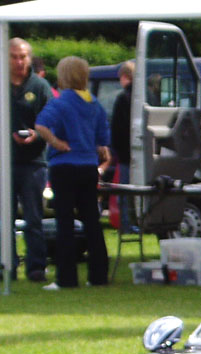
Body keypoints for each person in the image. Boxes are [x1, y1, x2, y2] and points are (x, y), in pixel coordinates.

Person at [0, 37, 55, 283]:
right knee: (4, 218)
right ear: (5, 58)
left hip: (33, 163)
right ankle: (6, 267)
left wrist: (36, 135)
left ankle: (36, 267)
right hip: (3, 161)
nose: (19, 62)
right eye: (14, 57)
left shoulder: (40, 87)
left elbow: (52, 123)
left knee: (33, 217)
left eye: (23, 57)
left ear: (29, 58)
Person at [34, 55, 111, 289]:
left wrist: (56, 143)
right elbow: (103, 141)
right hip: (88, 167)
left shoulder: (61, 101)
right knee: (92, 221)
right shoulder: (94, 103)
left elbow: (40, 125)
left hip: (64, 167)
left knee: (65, 222)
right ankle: (98, 276)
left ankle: (66, 279)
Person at [109, 60, 136, 232]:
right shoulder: (145, 95)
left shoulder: (123, 98)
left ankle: (126, 223)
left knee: (124, 191)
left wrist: (116, 150)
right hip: (143, 151)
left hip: (126, 154)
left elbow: (117, 128)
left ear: (124, 77)